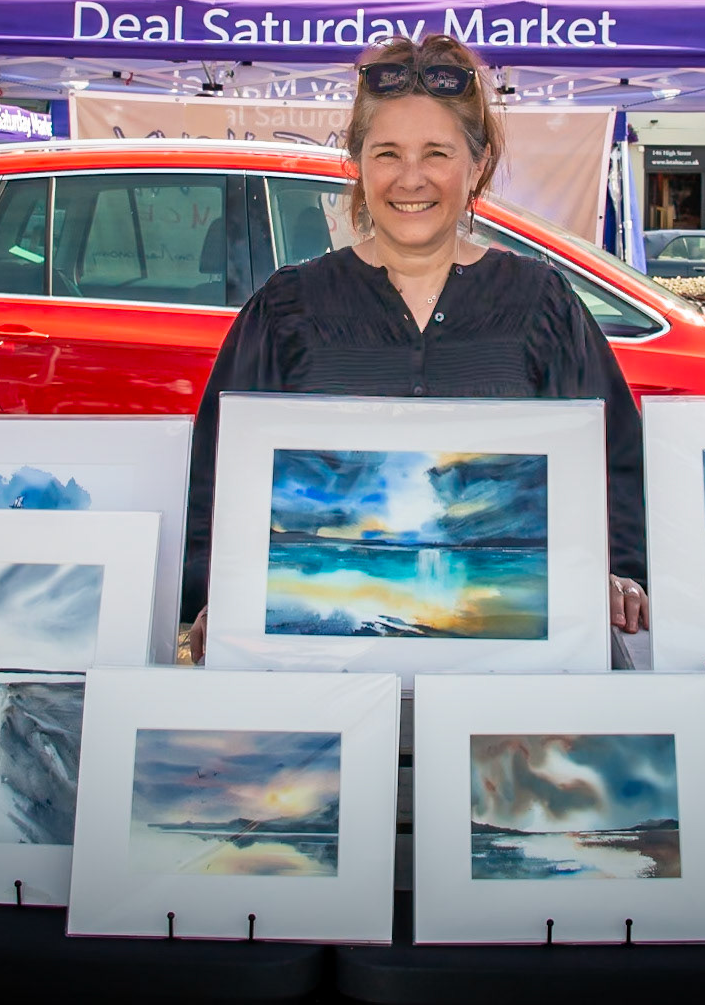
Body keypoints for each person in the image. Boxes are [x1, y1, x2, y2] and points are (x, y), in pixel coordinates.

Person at [183, 34, 647, 660]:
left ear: (476, 165)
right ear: (358, 162)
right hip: (325, 668)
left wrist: (621, 572)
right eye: (387, 153)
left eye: (437, 153)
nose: (411, 179)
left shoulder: (542, 305)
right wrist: (217, 595)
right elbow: (217, 475)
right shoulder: (288, 309)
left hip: (506, 671)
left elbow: (615, 462)